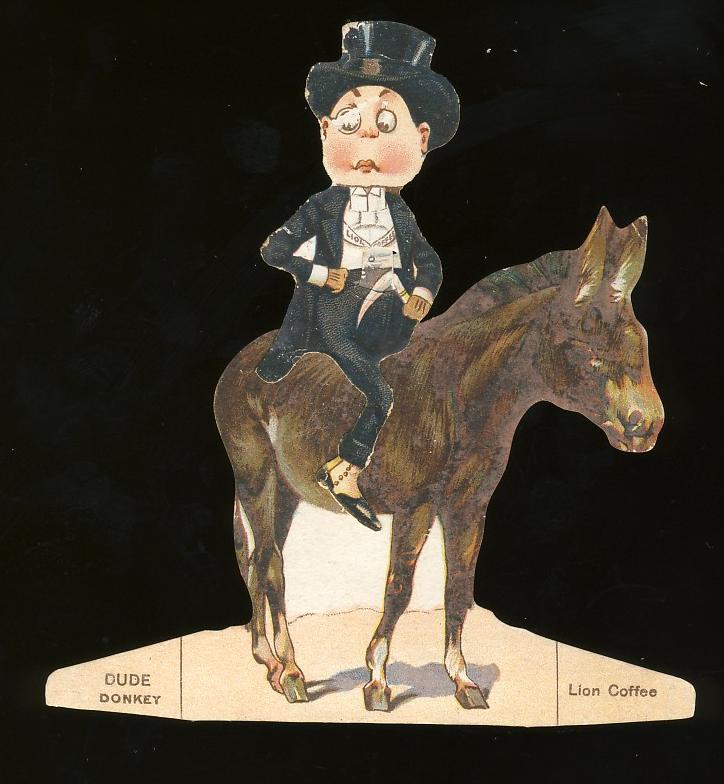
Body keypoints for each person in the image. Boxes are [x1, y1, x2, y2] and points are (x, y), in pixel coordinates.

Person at [255, 20, 460, 530]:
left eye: (386, 122)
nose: (367, 133)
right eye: (350, 121)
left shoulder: (401, 213)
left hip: (389, 318)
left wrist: (422, 290)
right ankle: (343, 470)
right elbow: (274, 249)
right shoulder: (321, 207)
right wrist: (320, 272)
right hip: (335, 319)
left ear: (421, 139)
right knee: (382, 395)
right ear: (325, 131)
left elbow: (430, 260)